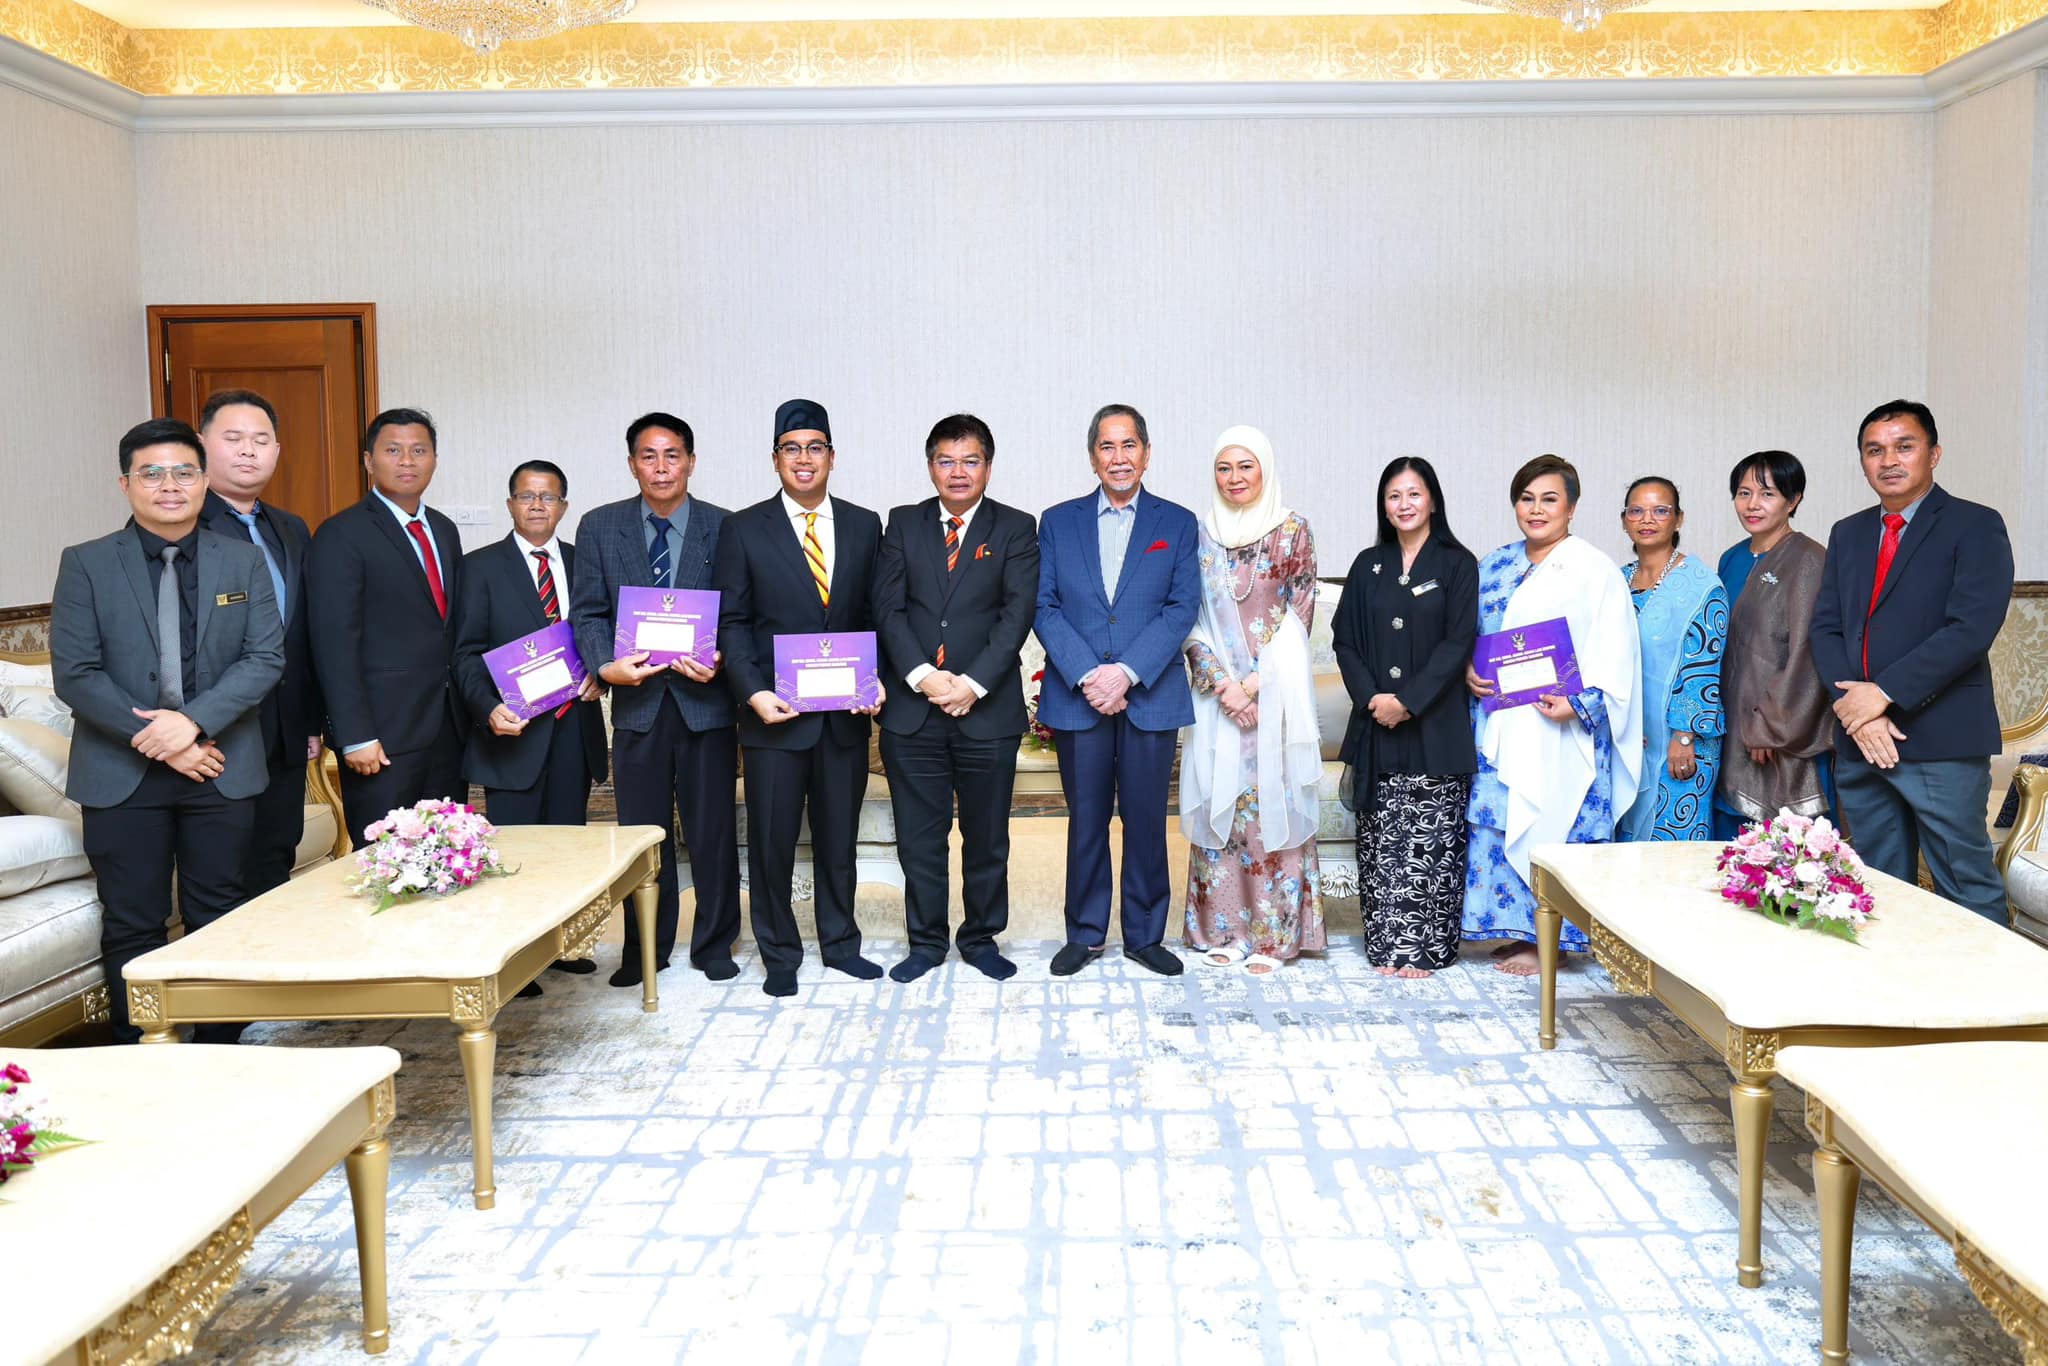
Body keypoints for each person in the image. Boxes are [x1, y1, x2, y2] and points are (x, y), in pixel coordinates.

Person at [50, 418, 284, 1043]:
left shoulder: (243, 560)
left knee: (220, 912)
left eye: (184, 472)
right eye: (151, 473)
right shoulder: (87, 563)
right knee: (133, 922)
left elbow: (265, 658)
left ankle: (221, 1053)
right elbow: (76, 673)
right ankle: (142, 1059)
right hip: (120, 773)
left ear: (204, 481)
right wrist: (161, 740)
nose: (170, 485)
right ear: (125, 484)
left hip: (220, 765)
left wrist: (192, 724)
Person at [1810, 400, 2014, 923]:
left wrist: (1882, 695)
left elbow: (1970, 629)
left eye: (1904, 446)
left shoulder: (1975, 524)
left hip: (1939, 740)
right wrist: (1857, 710)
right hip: (1861, 741)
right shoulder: (1848, 532)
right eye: (1875, 450)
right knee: (1874, 892)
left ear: (1934, 453)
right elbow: (1826, 628)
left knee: (1965, 886)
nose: (1889, 460)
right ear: (1862, 461)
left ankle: (1987, 981)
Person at [714, 399, 885, 997]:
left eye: (815, 448)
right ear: (775, 459)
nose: (804, 458)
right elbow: (732, 622)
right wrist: (753, 693)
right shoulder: (742, 528)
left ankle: (841, 945)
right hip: (775, 718)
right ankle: (780, 954)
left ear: (832, 457)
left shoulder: (865, 525)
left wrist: (877, 679)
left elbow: (877, 614)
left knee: (839, 841)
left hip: (843, 717)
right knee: (772, 843)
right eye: (792, 448)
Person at [570, 413, 741, 988]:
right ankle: (645, 948)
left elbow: (739, 613)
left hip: (705, 703)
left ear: (691, 461)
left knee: (712, 831)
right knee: (640, 837)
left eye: (672, 455)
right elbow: (588, 612)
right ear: (632, 464)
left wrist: (722, 658)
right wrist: (605, 666)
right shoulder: (600, 526)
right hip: (638, 707)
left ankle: (715, 943)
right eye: (649, 456)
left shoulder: (726, 526)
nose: (661, 467)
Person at [1033, 403, 1201, 977]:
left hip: (1149, 695)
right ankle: (1084, 934)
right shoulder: (1057, 522)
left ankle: (1145, 935)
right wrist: (1090, 674)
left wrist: (1126, 672)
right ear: (1092, 457)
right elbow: (1044, 606)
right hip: (1078, 695)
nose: (1119, 457)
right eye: (1107, 446)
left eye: (1129, 445)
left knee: (1147, 820)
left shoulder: (1177, 523)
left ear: (1147, 454)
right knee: (1085, 820)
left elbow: (1181, 607)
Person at [874, 414, 1039, 983]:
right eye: (946, 461)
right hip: (913, 712)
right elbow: (887, 608)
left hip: (986, 711)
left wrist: (972, 684)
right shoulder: (902, 523)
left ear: (988, 467)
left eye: (970, 460)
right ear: (931, 467)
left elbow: (1017, 613)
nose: (958, 472)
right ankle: (925, 942)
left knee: (987, 838)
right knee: (920, 839)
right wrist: (923, 677)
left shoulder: (1016, 527)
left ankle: (980, 938)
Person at [1463, 455, 1642, 974]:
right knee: (1502, 821)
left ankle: (1552, 942)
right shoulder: (1494, 566)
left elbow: (1618, 653)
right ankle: (1520, 931)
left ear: (1572, 507)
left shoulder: (1594, 570)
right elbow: (1469, 635)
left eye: (1549, 499)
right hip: (1502, 722)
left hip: (1565, 726)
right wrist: (1467, 670)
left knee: (1558, 826)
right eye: (1527, 499)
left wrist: (1581, 703)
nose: (1536, 510)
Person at [452, 460, 609, 994]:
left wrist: (601, 674)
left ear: (564, 506)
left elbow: (602, 633)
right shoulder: (479, 568)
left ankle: (563, 947)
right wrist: (486, 708)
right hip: (513, 732)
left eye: (548, 497)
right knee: (515, 856)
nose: (538, 505)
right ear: (510, 504)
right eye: (527, 496)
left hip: (573, 729)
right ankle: (517, 961)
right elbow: (465, 653)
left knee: (566, 851)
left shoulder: (584, 562)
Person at [1180, 426, 1324, 974]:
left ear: (1265, 468)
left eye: (1245, 466)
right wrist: (1224, 685)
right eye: (1224, 467)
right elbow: (1189, 618)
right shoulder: (1200, 534)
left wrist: (1254, 686)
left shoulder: (1292, 531)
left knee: (1270, 810)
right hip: (1217, 700)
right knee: (1223, 807)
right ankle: (1225, 930)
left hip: (1274, 697)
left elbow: (1298, 615)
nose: (1234, 478)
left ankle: (1272, 938)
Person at [1333, 457, 1479, 977]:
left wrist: (1408, 701)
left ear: (1433, 500)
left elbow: (1457, 643)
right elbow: (1345, 641)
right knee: (1382, 840)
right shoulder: (1367, 564)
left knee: (1430, 841)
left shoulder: (1458, 564)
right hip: (1376, 724)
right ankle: (1385, 945)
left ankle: (1425, 949)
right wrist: (1373, 698)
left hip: (1436, 726)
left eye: (1414, 494)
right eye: (1394, 495)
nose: (1404, 504)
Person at [308, 408, 465, 845]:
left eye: (419, 450)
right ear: (368, 460)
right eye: (393, 450)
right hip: (382, 736)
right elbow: (333, 643)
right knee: (386, 861)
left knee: (447, 854)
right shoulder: (341, 534)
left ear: (434, 459)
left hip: (447, 729)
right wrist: (355, 735)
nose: (407, 461)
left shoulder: (444, 530)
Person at [193, 388, 322, 898]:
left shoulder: (290, 528)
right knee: (223, 871)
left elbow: (303, 632)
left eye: (261, 440)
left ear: (277, 451)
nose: (248, 450)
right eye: (233, 438)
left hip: (285, 732)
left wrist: (309, 722)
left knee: (274, 859)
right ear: (202, 444)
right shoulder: (182, 523)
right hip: (218, 735)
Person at [1714, 450, 1834, 839]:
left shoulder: (1809, 560)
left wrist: (1770, 725)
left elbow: (1808, 653)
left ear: (1793, 499)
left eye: (1767, 494)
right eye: (1744, 493)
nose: (1753, 504)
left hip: (1778, 731)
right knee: (1727, 852)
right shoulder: (1731, 559)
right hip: (1730, 722)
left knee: (1780, 853)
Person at [1616, 477, 1728, 842]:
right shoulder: (1616, 581)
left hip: (1680, 742)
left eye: (1660, 510)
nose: (1647, 519)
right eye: (1637, 510)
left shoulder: (1700, 585)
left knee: (1672, 850)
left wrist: (1684, 735)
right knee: (1622, 850)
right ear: (1624, 520)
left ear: (1678, 519)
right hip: (1626, 739)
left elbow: (1703, 666)